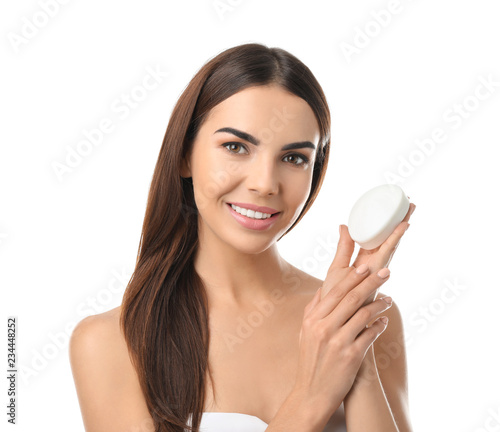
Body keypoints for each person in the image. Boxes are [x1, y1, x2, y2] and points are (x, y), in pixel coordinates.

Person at [69, 42, 416, 432]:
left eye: (294, 158)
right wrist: (312, 396)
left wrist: (350, 334)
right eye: (235, 147)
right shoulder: (111, 344)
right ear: (184, 155)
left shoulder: (370, 320)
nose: (265, 183)